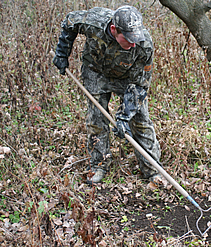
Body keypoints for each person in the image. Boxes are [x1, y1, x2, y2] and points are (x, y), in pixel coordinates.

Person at [53, 5, 162, 185]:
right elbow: (69, 21)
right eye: (128, 39)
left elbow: (140, 85)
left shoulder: (143, 45)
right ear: (114, 30)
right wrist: (62, 53)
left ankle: (152, 169)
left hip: (128, 78)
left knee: (140, 120)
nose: (133, 43)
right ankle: (99, 164)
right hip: (95, 71)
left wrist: (124, 117)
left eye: (136, 38)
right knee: (97, 119)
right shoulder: (93, 22)